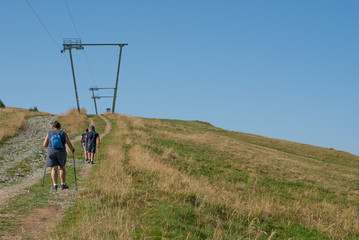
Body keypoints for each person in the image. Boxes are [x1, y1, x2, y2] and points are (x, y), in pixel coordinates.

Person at [43, 121, 75, 190]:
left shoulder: (49, 133)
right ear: (60, 127)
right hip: (61, 152)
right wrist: (72, 149)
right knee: (62, 167)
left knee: (53, 168)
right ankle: (63, 184)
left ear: (53, 127)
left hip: (51, 152)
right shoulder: (63, 133)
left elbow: (44, 145)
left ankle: (55, 185)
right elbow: (68, 142)